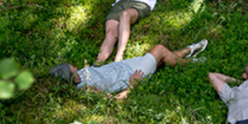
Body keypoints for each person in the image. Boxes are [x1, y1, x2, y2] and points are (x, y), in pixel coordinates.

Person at [51, 39, 207, 101]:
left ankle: (189, 51)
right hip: (133, 73)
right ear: (70, 76)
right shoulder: (86, 89)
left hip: (126, 65)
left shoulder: (80, 74)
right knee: (159, 50)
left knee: (163, 58)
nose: (75, 67)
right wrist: (132, 85)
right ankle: (191, 62)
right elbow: (114, 101)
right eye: (72, 68)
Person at [95, 0, 179, 65]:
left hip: (139, 5)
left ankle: (119, 56)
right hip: (120, 4)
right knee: (110, 34)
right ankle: (98, 63)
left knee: (125, 15)